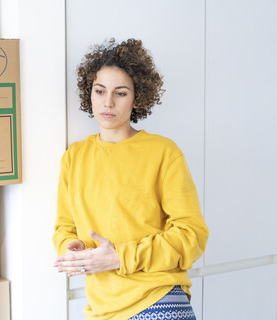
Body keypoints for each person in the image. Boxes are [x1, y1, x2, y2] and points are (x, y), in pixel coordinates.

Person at [52, 38, 209, 320]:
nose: (108, 102)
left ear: (137, 99)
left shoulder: (163, 152)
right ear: (90, 94)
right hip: (102, 308)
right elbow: (64, 226)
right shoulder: (74, 157)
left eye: (120, 93)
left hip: (156, 297)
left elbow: (191, 234)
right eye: (100, 91)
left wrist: (121, 256)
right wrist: (69, 247)